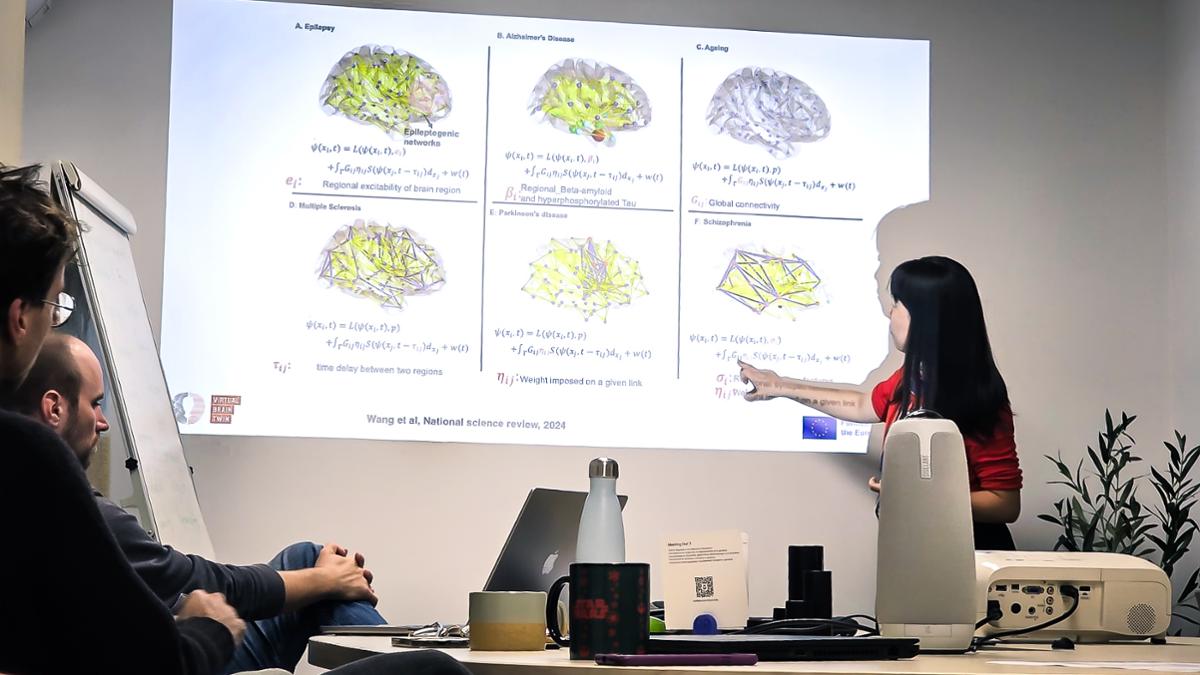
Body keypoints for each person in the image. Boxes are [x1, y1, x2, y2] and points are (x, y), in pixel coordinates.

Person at [9, 332, 389, 674]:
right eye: (95, 404)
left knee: (305, 557)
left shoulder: (23, 489)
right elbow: (206, 583)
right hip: (179, 656)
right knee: (321, 572)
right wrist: (324, 580)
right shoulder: (80, 513)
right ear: (55, 409)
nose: (103, 421)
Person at [0, 162, 244, 673]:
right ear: (19, 317)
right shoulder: (25, 458)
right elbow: (161, 663)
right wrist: (211, 627)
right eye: (55, 305)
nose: (53, 324)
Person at [738, 256, 1022, 550]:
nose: (890, 312)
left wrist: (918, 495)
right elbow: (862, 405)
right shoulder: (913, 377)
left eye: (897, 303)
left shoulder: (975, 394)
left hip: (969, 555)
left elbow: (1005, 504)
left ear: (924, 318)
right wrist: (779, 386)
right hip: (917, 551)